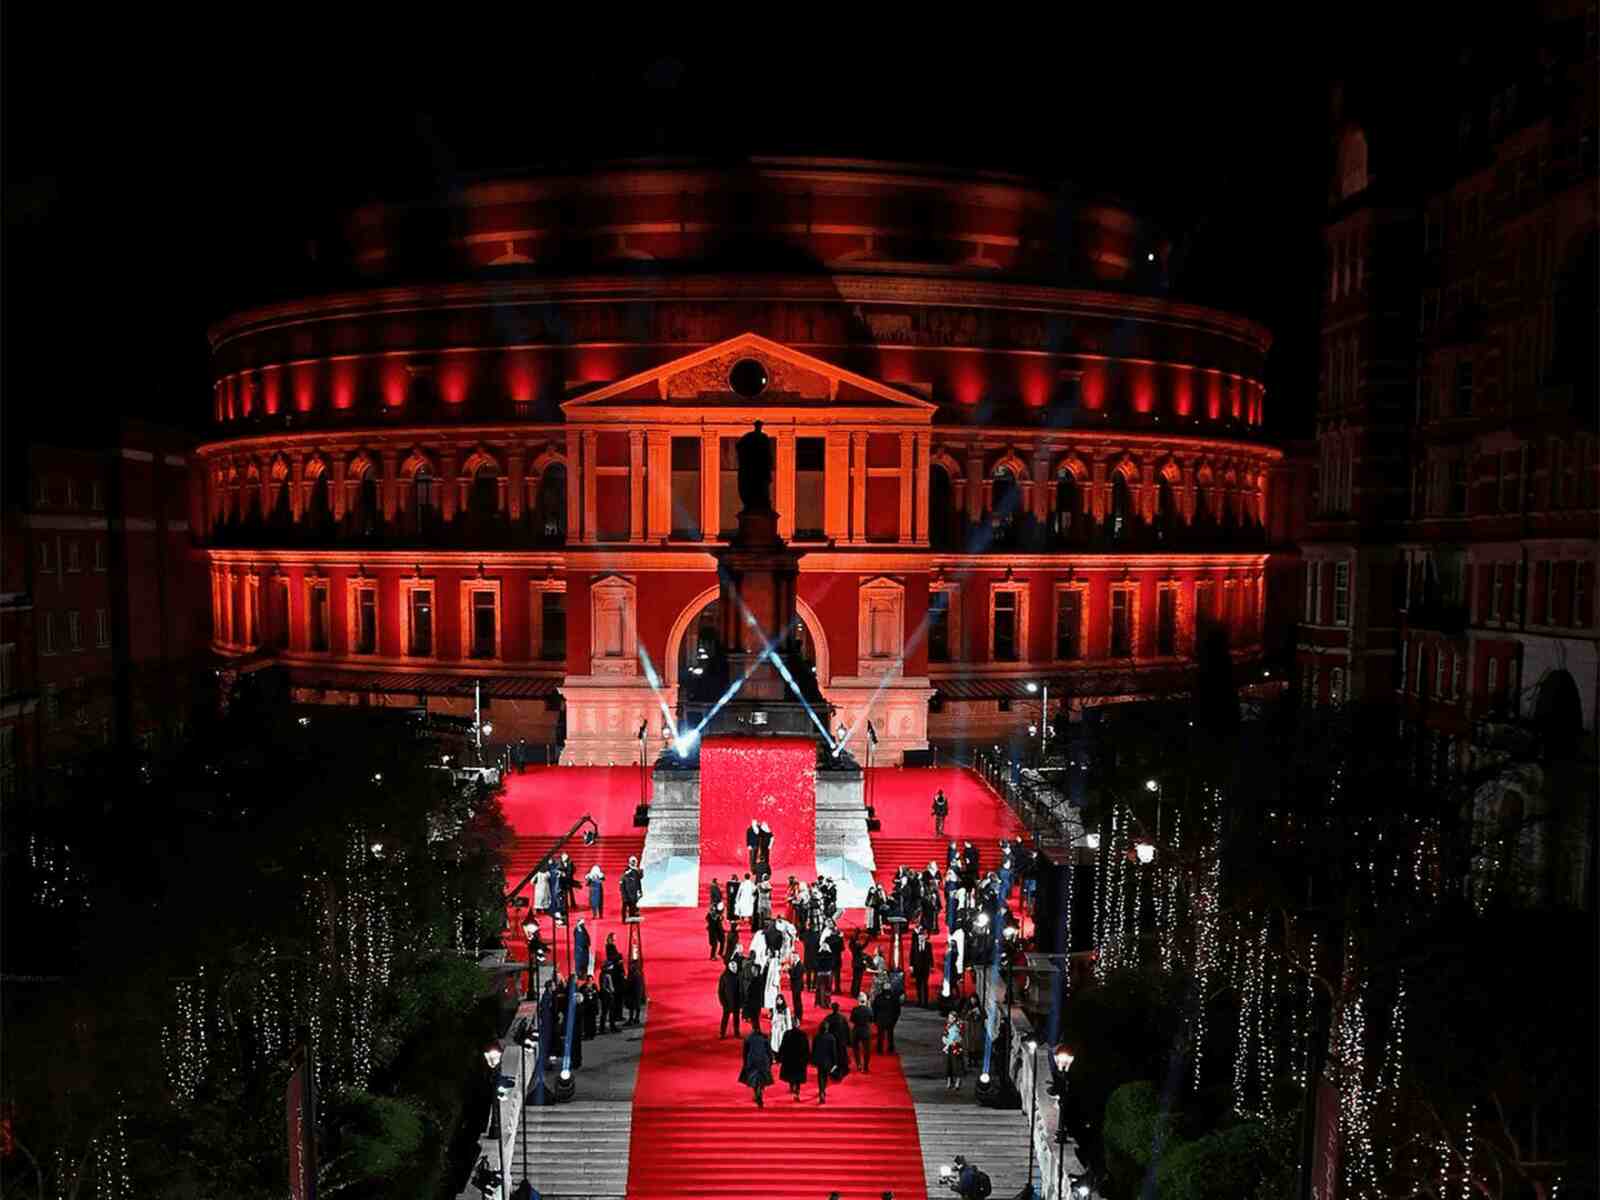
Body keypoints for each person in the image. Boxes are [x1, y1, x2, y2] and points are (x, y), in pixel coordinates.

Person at [739, 1027, 773, 1108]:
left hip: (752, 1061)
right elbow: (769, 1051)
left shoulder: (748, 1039)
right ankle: (760, 1091)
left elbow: (745, 1053)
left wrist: (745, 1063)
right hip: (763, 1061)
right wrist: (770, 1062)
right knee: (762, 1078)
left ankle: (756, 1093)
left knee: (753, 1079)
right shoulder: (765, 1039)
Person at [777, 1015, 810, 1100]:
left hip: (789, 1058)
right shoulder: (803, 1034)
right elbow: (806, 1048)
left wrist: (779, 1057)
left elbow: (783, 1046)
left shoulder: (787, 1034)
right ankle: (797, 1090)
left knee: (791, 1074)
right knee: (798, 1075)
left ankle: (792, 1086)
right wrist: (807, 1058)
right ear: (798, 1024)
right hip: (799, 1059)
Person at [810, 1017, 839, 1104]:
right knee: (825, 1076)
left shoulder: (817, 1037)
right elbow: (834, 1051)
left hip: (819, 1060)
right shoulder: (831, 1037)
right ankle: (822, 1090)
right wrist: (835, 1062)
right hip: (828, 1060)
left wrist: (813, 1060)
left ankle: (821, 1091)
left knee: (820, 1076)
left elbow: (813, 1049)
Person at [821, 1003, 852, 1084]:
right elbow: (847, 1030)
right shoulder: (842, 1018)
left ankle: (833, 1072)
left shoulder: (828, 1018)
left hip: (831, 1042)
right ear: (838, 1009)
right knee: (841, 1057)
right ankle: (841, 1072)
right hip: (841, 1042)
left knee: (832, 1057)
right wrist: (848, 1041)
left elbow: (823, 1029)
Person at [849, 992, 874, 1072]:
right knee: (867, 1050)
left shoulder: (855, 1009)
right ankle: (866, 1066)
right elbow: (872, 1020)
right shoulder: (869, 1010)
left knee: (856, 1049)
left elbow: (852, 1019)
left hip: (856, 1030)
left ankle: (859, 1064)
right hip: (866, 1031)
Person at [717, 958, 742, 1038]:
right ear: (729, 967)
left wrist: (741, 1001)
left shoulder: (739, 975)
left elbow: (741, 989)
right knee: (725, 1018)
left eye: (735, 966)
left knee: (736, 1018)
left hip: (737, 1002)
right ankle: (722, 1033)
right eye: (732, 966)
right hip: (727, 1002)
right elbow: (720, 991)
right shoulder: (724, 976)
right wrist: (723, 1002)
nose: (734, 968)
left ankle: (736, 1032)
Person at [873, 984, 900, 1055]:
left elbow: (874, 1009)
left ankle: (881, 1049)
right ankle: (889, 1049)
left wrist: (875, 1019)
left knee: (882, 1035)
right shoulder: (894, 998)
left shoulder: (878, 997)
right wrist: (895, 1019)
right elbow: (897, 1010)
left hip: (882, 1020)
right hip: (889, 1020)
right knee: (889, 1035)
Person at [942, 1010, 965, 1091]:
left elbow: (961, 1037)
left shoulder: (959, 1026)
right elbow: (944, 1034)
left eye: (951, 1018)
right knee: (948, 1064)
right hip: (949, 1048)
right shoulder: (947, 1026)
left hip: (956, 1048)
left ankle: (958, 1081)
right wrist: (945, 1040)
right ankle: (949, 1080)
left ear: (955, 1018)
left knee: (957, 1065)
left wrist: (955, 1041)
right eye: (949, 1017)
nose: (949, 1019)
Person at [911, 928, 934, 1007]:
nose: (921, 937)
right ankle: (919, 1001)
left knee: (925, 984)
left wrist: (932, 965)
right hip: (917, 967)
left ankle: (926, 1002)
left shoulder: (928, 945)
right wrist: (911, 965)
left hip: (925, 967)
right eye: (920, 936)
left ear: (925, 936)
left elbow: (931, 956)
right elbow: (912, 955)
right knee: (918, 985)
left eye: (922, 936)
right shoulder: (915, 945)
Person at [847, 928, 870, 1000]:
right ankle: (855, 993)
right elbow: (863, 946)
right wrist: (867, 940)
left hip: (855, 963)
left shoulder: (852, 945)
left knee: (855, 979)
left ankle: (853, 992)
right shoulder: (857, 946)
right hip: (859, 964)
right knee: (858, 979)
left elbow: (853, 942)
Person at [620, 856, 644, 922]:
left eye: (634, 862)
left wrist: (640, 891)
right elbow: (624, 880)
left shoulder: (636, 870)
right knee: (625, 905)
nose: (634, 863)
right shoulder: (627, 870)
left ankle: (632, 917)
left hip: (634, 891)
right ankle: (624, 919)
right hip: (627, 891)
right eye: (632, 862)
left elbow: (639, 879)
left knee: (633, 905)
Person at [787, 955, 806, 1026]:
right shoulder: (794, 964)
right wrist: (789, 970)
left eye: (794, 957)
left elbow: (797, 976)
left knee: (798, 1001)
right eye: (793, 957)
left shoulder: (800, 965)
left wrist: (790, 974)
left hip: (797, 986)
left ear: (797, 957)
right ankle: (796, 1014)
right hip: (794, 986)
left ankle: (799, 1015)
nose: (793, 958)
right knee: (795, 1001)